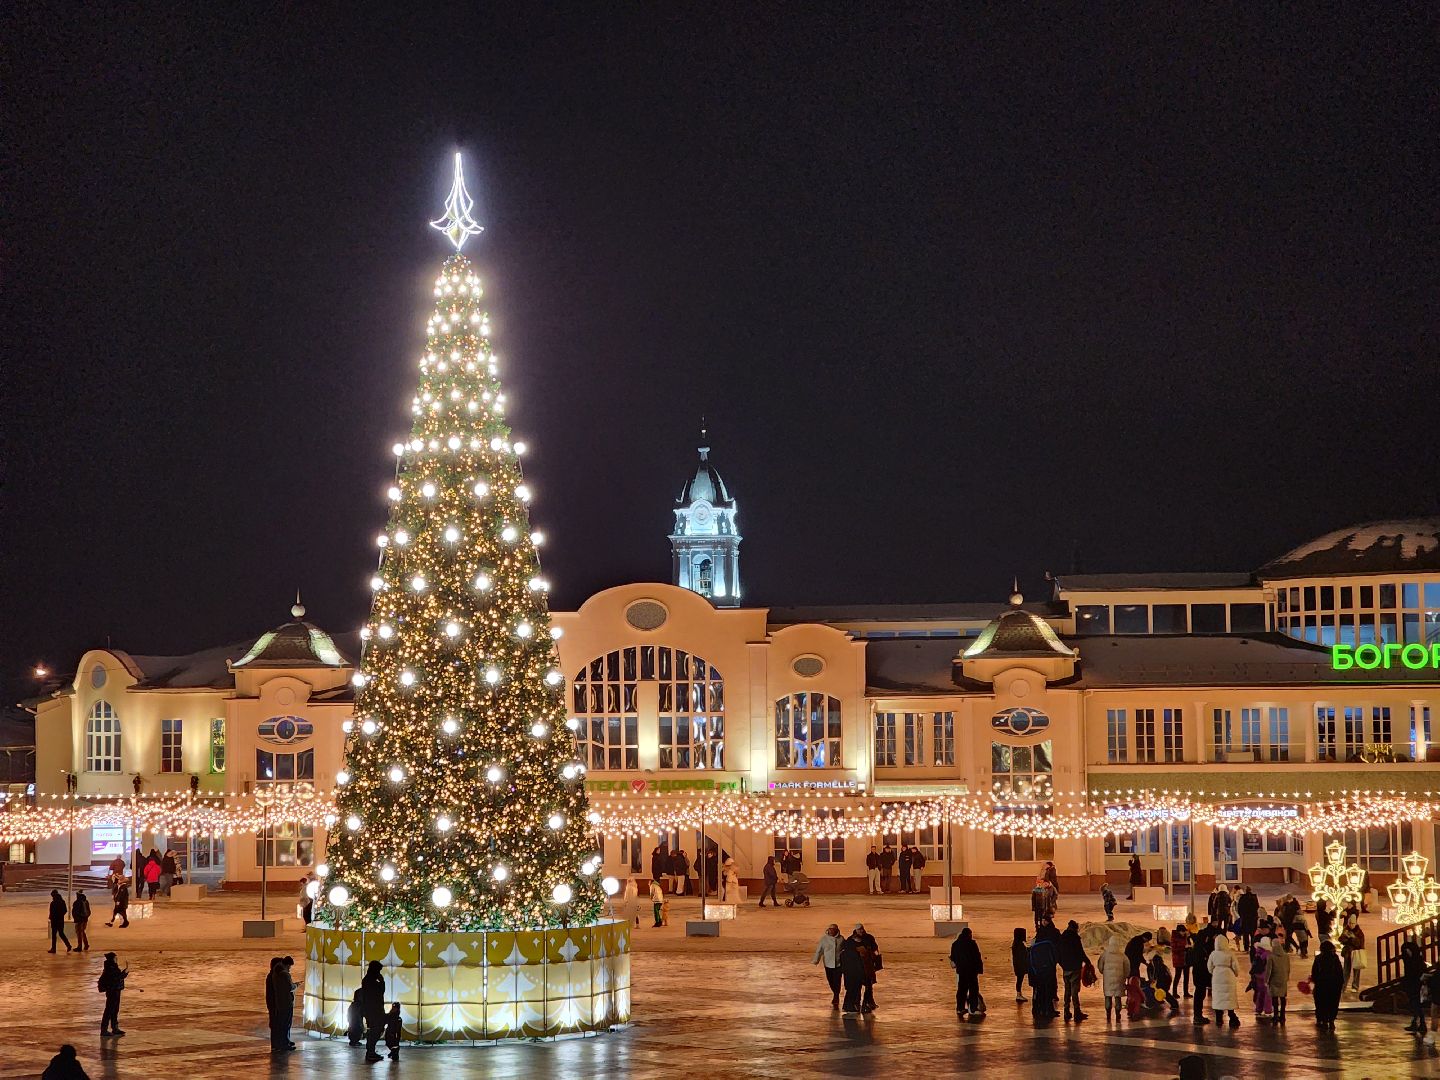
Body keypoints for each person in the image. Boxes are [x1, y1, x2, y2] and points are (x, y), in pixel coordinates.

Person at [1207, 934, 1243, 1027]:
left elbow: (1209, 967)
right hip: (1228, 975)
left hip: (1217, 975)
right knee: (1229, 997)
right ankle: (1232, 1016)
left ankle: (1219, 1018)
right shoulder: (1230, 953)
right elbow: (1235, 966)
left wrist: (1214, 973)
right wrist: (1235, 973)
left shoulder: (1213, 954)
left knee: (1218, 996)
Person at [1058, 919, 1089, 1022]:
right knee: (1075, 991)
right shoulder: (1075, 938)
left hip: (1066, 968)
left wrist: (1063, 964)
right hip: (1075, 968)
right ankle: (1077, 1012)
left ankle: (1066, 1012)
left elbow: (1058, 953)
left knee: (1067, 990)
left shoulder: (1062, 938)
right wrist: (1088, 962)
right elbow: (1080, 952)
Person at [1310, 939, 1345, 1030]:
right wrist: (1340, 984)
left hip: (1321, 985)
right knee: (1333, 1003)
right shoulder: (1335, 958)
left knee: (1321, 1003)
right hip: (1334, 986)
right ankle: (1331, 1021)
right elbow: (1340, 972)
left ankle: (1323, 1020)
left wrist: (1315, 980)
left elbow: (1314, 972)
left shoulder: (1318, 958)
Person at [950, 926, 984, 1016]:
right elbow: (977, 957)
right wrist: (979, 969)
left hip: (961, 971)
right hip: (971, 971)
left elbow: (953, 957)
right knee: (973, 989)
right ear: (969, 934)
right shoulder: (972, 944)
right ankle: (973, 1008)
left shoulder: (955, 944)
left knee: (961, 990)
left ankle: (960, 1008)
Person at [1189, 920, 1218, 1024]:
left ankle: (1198, 1015)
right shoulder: (1202, 951)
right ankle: (1197, 1016)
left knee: (1199, 994)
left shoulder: (1197, 949)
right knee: (1200, 994)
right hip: (1201, 974)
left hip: (1198, 975)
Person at [1029, 924, 1059, 1022]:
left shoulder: (1033, 946)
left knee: (1038, 992)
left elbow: (1031, 961)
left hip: (1037, 973)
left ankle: (1037, 1009)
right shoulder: (1048, 944)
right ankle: (1048, 1010)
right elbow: (1054, 957)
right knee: (1048, 992)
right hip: (1048, 972)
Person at [361, 959, 387, 1062]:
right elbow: (379, 992)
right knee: (375, 1031)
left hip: (372, 1010)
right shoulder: (370, 980)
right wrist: (382, 982)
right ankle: (370, 1052)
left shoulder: (368, 979)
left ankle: (371, 1051)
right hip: (374, 1010)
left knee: (375, 1030)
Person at [1097, 933, 1127, 1022]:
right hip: (1119, 979)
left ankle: (1108, 1014)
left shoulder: (1104, 955)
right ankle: (1118, 1014)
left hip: (1108, 980)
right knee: (1118, 997)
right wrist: (1124, 976)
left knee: (1108, 996)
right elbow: (1127, 968)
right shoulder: (1122, 955)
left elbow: (1100, 966)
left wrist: (1104, 973)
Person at [813, 924, 843, 1008]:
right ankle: (835, 993)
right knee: (831, 981)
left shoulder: (841, 939)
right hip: (828, 964)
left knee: (837, 981)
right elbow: (819, 950)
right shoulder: (824, 939)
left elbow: (845, 950)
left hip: (838, 964)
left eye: (833, 929)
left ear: (837, 930)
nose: (832, 931)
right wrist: (816, 960)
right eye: (830, 929)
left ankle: (836, 996)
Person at [838, 929, 868, 1016]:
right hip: (854, 974)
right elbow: (859, 964)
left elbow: (843, 966)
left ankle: (848, 1006)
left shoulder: (844, 953)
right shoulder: (854, 953)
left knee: (851, 990)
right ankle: (849, 1006)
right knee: (853, 990)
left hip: (849, 974)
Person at [852, 923, 880, 1011]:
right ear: (856, 930)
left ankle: (867, 1003)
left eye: (861, 929)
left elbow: (875, 949)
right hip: (858, 967)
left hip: (868, 966)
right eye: (859, 929)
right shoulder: (851, 939)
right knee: (858, 986)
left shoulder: (869, 938)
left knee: (869, 985)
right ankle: (857, 1003)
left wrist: (877, 960)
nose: (861, 931)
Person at [98, 952, 128, 1037]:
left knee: (115, 1010)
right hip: (112, 991)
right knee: (109, 1010)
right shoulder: (110, 968)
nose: (116, 959)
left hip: (116, 990)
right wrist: (124, 973)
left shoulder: (113, 967)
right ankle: (104, 1030)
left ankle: (115, 1028)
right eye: (115, 958)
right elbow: (116, 978)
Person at [1402, 935, 1427, 1035]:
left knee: (1416, 1003)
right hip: (1414, 983)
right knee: (1416, 1004)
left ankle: (1420, 1023)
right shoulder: (1416, 959)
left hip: (1414, 984)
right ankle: (1418, 1023)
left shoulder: (1414, 961)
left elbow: (1414, 971)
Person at [1265, 935, 1291, 1025]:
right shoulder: (1286, 956)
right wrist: (1287, 977)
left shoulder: (1271, 957)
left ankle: (1276, 1016)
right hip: (1283, 978)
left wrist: (1266, 980)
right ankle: (1283, 1016)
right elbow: (1288, 968)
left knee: (1275, 998)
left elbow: (1269, 970)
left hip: (1274, 979)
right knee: (1283, 997)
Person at [1342, 920, 1366, 992]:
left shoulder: (1359, 932)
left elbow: (1360, 944)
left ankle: (1355, 986)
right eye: (1350, 923)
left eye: (1353, 923)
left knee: (1356, 970)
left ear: (1355, 923)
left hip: (1356, 954)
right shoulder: (1346, 930)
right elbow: (1340, 939)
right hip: (1348, 954)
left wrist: (1353, 938)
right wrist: (1345, 937)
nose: (1351, 925)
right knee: (1346, 971)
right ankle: (1343, 986)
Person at [1171, 923, 1191, 998]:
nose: (1183, 933)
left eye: (1184, 932)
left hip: (1186, 960)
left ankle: (1186, 992)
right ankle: (1174, 993)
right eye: (1182, 932)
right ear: (1178, 931)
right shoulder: (1174, 938)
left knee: (1186, 977)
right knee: (1177, 976)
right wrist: (1184, 948)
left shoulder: (1185, 937)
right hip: (1178, 960)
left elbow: (1188, 944)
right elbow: (1174, 949)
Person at [1010, 927, 1030, 1002]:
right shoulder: (1019, 945)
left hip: (1018, 965)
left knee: (1019, 979)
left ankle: (1019, 994)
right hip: (1020, 965)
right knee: (1020, 979)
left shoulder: (1016, 943)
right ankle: (1018, 994)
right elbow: (1023, 955)